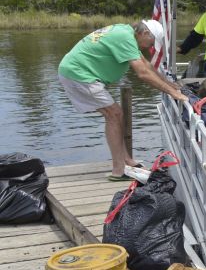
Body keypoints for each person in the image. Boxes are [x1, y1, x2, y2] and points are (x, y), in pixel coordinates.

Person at [58, 20, 188, 181]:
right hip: (78, 74)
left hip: (78, 72)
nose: (150, 47)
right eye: (152, 42)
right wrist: (174, 94)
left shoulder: (126, 32)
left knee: (115, 114)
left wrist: (169, 84)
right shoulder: (125, 38)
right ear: (145, 33)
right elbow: (143, 74)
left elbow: (146, 65)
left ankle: (127, 160)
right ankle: (119, 170)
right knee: (114, 114)